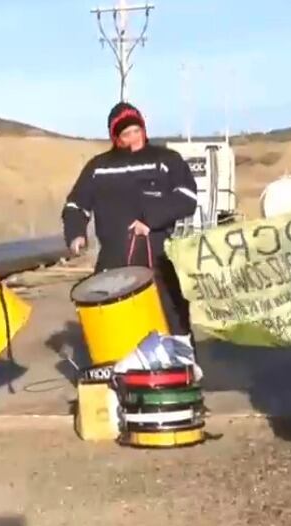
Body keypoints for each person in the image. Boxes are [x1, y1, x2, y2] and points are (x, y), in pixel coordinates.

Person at [62, 102, 198, 351]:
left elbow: (187, 198)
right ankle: (117, 369)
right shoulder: (98, 167)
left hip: (158, 255)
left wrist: (151, 218)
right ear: (116, 137)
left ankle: (184, 366)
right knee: (110, 315)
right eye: (126, 134)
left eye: (137, 131)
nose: (133, 138)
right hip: (113, 257)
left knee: (172, 313)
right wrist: (76, 233)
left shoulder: (165, 160)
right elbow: (75, 204)